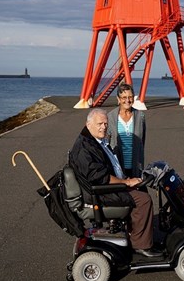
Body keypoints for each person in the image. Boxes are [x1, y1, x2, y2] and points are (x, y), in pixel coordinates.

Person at [68, 108, 161, 257]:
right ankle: (141, 245)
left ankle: (136, 233)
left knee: (141, 189)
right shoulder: (85, 148)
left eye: (105, 124)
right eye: (99, 124)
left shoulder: (92, 141)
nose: (103, 127)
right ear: (88, 124)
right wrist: (126, 182)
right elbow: (101, 177)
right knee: (144, 200)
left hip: (102, 188)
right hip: (99, 193)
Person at [107, 83, 146, 178]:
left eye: (130, 97)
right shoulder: (110, 117)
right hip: (117, 167)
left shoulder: (140, 116)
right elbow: (107, 143)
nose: (127, 100)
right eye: (124, 97)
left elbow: (142, 141)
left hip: (136, 166)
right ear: (118, 99)